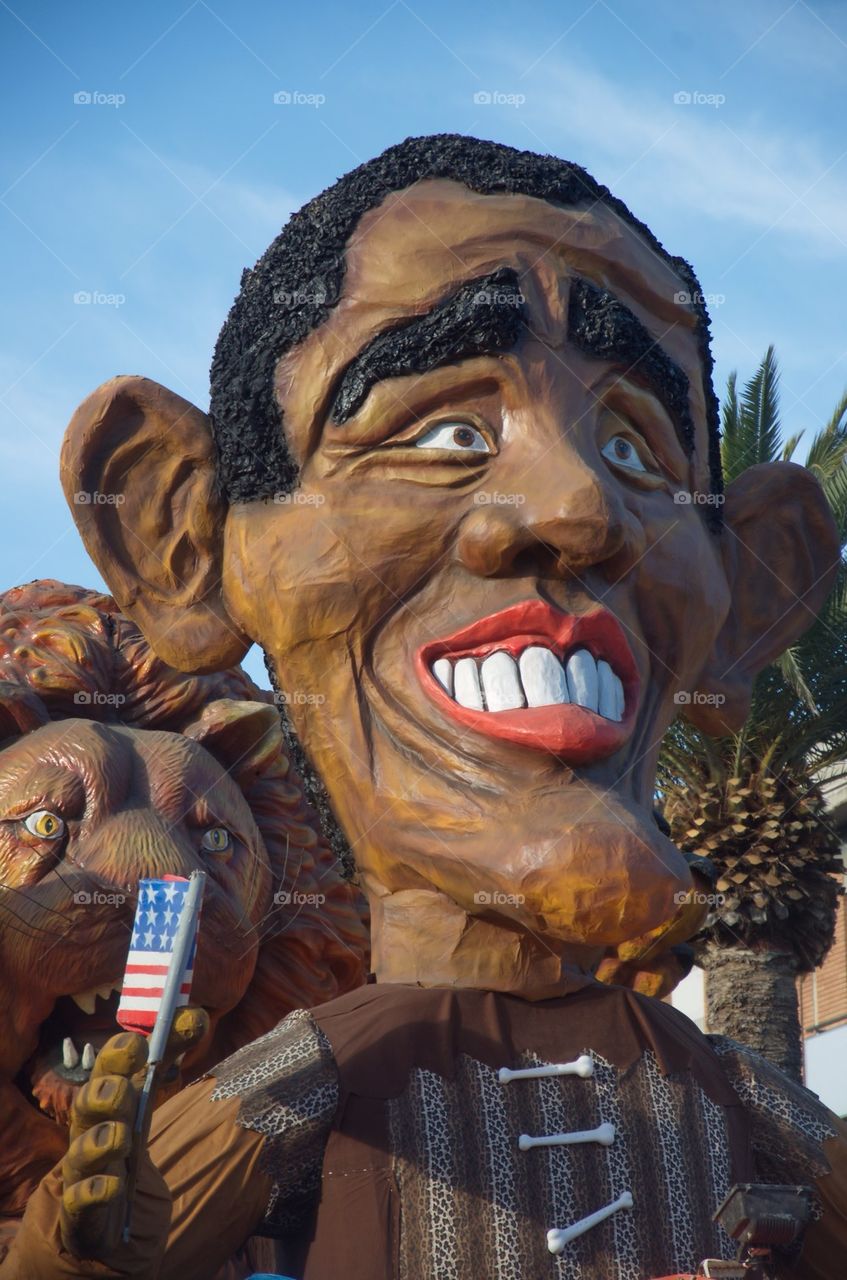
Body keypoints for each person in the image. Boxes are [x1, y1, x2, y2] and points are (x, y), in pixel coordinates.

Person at [5, 134, 845, 1279]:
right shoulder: (308, 1074)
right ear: (187, 542)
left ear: (751, 590)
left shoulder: (735, 1096)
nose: (576, 508)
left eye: (633, 448)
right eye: (446, 433)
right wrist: (89, 1239)